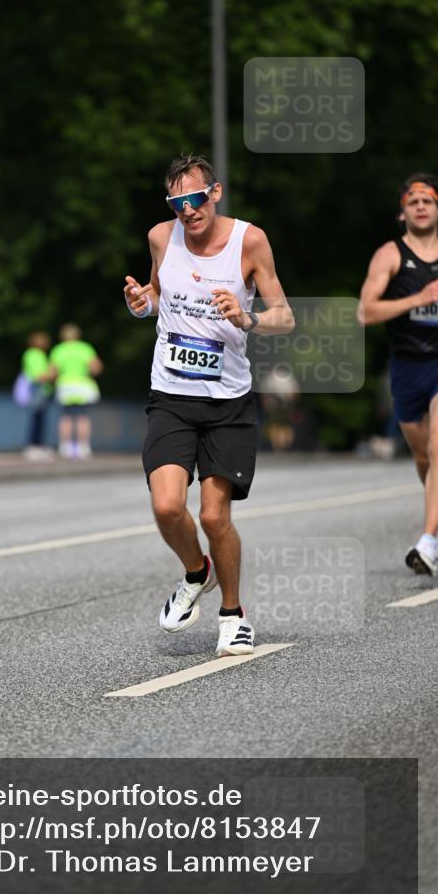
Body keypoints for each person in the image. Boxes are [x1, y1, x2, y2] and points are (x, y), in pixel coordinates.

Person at [124, 154, 294, 656]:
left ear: (215, 193)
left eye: (196, 199)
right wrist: (143, 302)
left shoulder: (250, 240)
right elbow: (159, 292)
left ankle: (233, 614)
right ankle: (197, 572)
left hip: (227, 402)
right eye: (177, 202)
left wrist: (248, 318)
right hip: (171, 396)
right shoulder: (161, 237)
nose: (188, 211)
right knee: (166, 505)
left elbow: (284, 315)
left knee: (216, 518)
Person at [358, 173, 438, 576]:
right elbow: (365, 312)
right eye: (414, 201)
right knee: (423, 456)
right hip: (408, 365)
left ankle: (427, 542)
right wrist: (418, 299)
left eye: (428, 200)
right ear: (402, 211)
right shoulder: (390, 255)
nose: (421, 206)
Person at [50, 324, 103, 459]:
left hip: (65, 384)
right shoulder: (85, 348)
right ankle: (83, 447)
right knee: (82, 416)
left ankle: (65, 447)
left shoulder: (58, 350)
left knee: (66, 417)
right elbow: (96, 367)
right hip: (82, 384)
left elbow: (53, 371)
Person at [17, 331, 55, 461]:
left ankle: (38, 445)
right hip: (36, 390)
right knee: (36, 418)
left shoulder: (40, 355)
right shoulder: (33, 354)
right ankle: (33, 446)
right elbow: (39, 376)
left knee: (40, 419)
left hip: (42, 391)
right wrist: (52, 374)